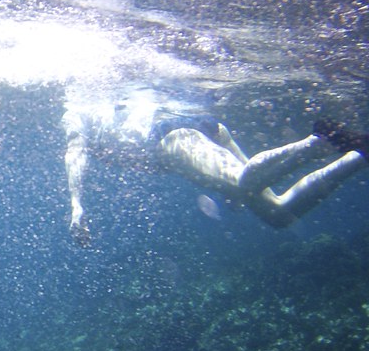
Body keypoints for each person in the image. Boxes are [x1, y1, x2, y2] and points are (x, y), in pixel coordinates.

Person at [62, 87, 368, 246]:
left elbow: (74, 154)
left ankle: (319, 141)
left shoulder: (74, 112)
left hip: (170, 137)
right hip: (195, 130)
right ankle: (360, 154)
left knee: (242, 183)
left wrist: (76, 206)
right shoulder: (98, 106)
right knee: (278, 214)